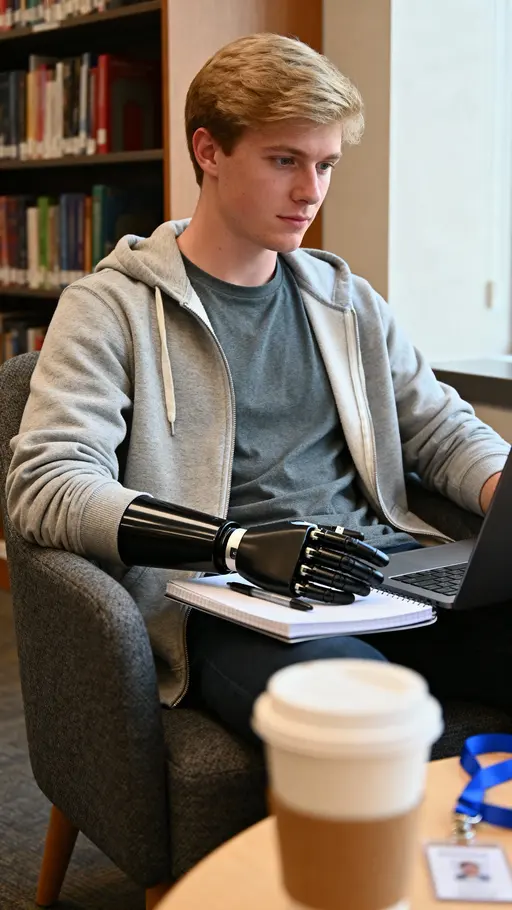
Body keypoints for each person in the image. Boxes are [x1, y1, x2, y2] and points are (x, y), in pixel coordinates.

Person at [5, 33, 511, 743]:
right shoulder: (110, 307)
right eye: (285, 162)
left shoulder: (346, 300)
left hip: (380, 576)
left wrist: (502, 489)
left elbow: (440, 428)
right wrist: (236, 544)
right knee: (358, 718)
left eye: (326, 164)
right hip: (229, 602)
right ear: (209, 152)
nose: (312, 191)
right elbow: (47, 485)